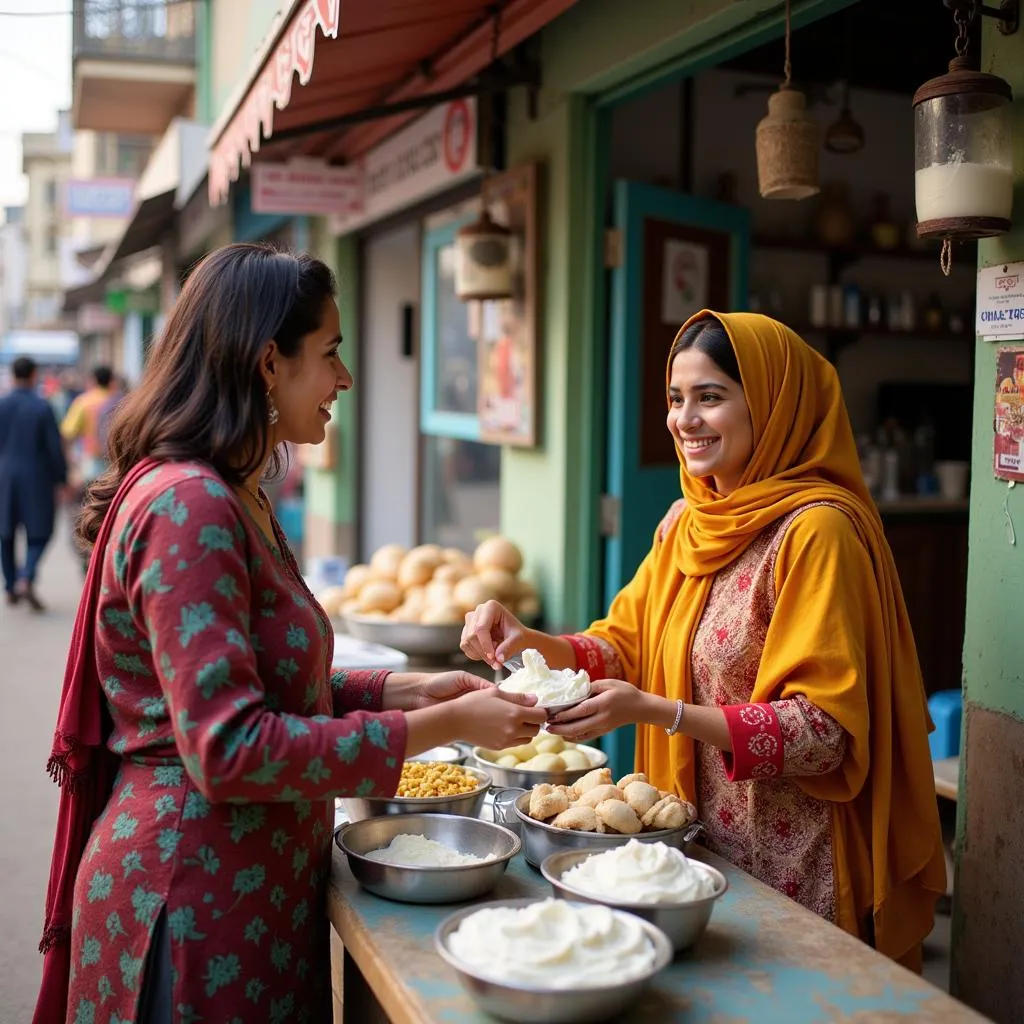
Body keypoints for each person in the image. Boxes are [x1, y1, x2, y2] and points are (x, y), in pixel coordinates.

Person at [35, 243, 548, 1024]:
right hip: (191, 908)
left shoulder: (238, 493)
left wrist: (401, 688)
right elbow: (229, 747)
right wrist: (436, 725)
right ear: (269, 362)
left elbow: (267, 686)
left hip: (246, 896)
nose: (344, 377)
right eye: (332, 351)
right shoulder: (190, 508)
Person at [461, 310, 946, 970]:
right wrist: (529, 643)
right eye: (676, 398)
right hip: (689, 852)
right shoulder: (694, 522)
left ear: (774, 404)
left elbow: (823, 730)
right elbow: (623, 643)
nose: (684, 420)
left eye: (710, 397)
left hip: (795, 873)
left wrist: (658, 712)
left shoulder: (816, 535)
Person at [0, 355, 68, 610]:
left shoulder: (2, 404)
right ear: (32, 375)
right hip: (37, 478)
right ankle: (26, 576)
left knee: (4, 533)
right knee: (40, 532)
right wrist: (62, 478)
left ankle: (10, 586)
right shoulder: (42, 406)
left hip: (4, 477)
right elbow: (54, 447)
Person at [60, 363, 114, 488]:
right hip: (115, 461)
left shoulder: (83, 402)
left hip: (91, 459)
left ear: (93, 380)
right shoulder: (119, 400)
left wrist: (69, 460)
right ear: (111, 381)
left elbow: (68, 432)